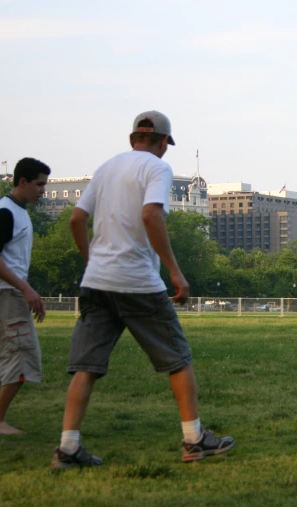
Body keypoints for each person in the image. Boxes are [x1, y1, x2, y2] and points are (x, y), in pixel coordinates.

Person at [51, 111, 234, 468]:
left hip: (97, 282)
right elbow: (151, 215)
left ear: (133, 137)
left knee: (86, 367)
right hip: (136, 281)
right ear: (164, 142)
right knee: (178, 360)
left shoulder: (105, 168)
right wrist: (175, 272)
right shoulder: (157, 168)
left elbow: (77, 219)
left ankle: (67, 447)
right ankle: (194, 440)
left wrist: (91, 261)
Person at [0, 158, 49, 435]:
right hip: (4, 294)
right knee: (22, 359)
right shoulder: (5, 212)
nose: (43, 191)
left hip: (4, 294)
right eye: (39, 184)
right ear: (23, 181)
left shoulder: (19, 211)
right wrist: (26, 289)